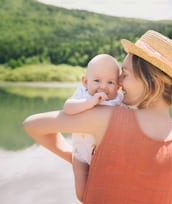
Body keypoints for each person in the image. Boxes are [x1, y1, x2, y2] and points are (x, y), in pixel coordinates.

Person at [22, 30, 172, 204]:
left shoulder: (108, 118)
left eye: (125, 74)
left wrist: (77, 159)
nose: (119, 82)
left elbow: (32, 125)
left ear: (152, 82)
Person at [63, 53, 125, 200]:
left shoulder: (118, 99)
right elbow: (68, 108)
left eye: (110, 82)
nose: (103, 86)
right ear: (85, 81)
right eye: (97, 80)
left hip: (105, 154)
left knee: (105, 191)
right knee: (81, 194)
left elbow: (126, 119)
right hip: (80, 154)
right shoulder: (83, 94)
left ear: (118, 86)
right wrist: (89, 103)